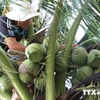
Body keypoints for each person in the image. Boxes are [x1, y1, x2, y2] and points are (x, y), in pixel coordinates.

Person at [0, 1, 40, 100]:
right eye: (26, 19)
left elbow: (38, 44)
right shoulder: (4, 22)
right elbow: (13, 45)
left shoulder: (25, 26)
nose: (29, 22)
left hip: (9, 57)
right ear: (17, 19)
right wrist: (33, 50)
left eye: (30, 19)